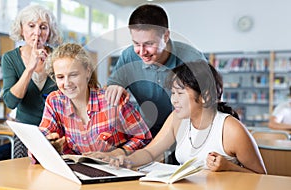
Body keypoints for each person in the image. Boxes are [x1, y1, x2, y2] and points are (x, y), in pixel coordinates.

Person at [108, 60, 266, 174]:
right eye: (173, 93)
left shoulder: (231, 129)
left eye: (180, 93)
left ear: (205, 95)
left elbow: (261, 176)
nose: (173, 100)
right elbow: (150, 152)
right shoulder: (177, 119)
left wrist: (229, 167)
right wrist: (126, 160)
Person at [106, 4, 207, 138]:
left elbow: (210, 105)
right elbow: (112, 86)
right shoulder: (129, 56)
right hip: (146, 131)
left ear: (165, 36)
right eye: (136, 43)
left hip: (187, 133)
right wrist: (114, 89)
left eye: (149, 44)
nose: (141, 52)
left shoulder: (192, 59)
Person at [35, 43, 151, 159]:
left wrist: (115, 154)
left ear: (88, 72)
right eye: (60, 77)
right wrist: (47, 146)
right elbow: (38, 142)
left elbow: (143, 137)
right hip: (78, 174)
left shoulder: (112, 100)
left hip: (118, 171)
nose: (67, 83)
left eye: (73, 75)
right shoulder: (55, 102)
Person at [1, 4, 62, 158]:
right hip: (26, 133)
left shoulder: (59, 57)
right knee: (23, 177)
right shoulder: (10, 58)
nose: (37, 32)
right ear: (22, 30)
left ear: (49, 32)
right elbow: (10, 102)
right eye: (31, 26)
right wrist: (29, 69)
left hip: (56, 132)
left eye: (43, 27)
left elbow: (70, 96)